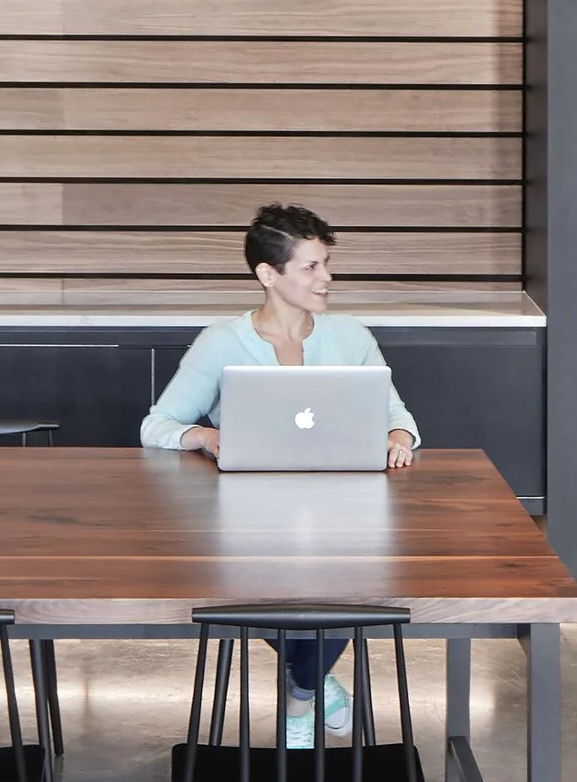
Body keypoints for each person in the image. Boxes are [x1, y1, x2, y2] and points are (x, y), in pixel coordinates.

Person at [141, 204, 418, 746]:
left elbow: (398, 415)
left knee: (345, 583)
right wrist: (207, 437)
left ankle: (300, 695)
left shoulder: (352, 335)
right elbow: (158, 425)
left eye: (326, 264)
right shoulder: (221, 341)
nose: (326, 278)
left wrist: (399, 438)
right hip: (248, 522)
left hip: (343, 515)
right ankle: (311, 687)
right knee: (276, 593)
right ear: (268, 274)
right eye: (311, 267)